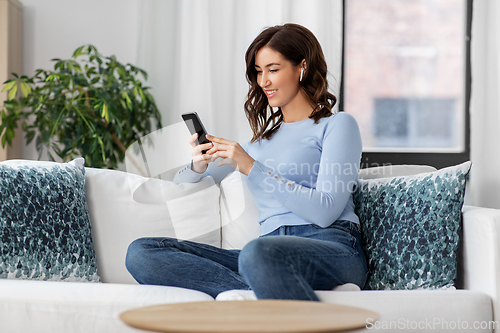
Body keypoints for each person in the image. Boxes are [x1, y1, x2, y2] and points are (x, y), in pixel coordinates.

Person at [125, 23, 368, 301]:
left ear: (302, 67)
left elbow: (325, 211)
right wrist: (198, 165)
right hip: (265, 255)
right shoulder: (256, 144)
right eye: (258, 71)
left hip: (331, 247)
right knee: (142, 252)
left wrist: (252, 167)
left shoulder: (338, 125)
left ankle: (263, 291)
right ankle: (263, 293)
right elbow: (182, 184)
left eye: (273, 69)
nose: (263, 81)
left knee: (256, 254)